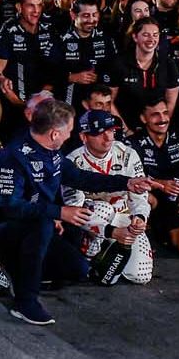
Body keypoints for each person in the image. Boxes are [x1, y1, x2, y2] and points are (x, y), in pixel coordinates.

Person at [0, 97, 131, 325]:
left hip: (37, 226)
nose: (71, 135)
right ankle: (25, 302)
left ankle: (14, 271)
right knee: (44, 223)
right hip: (1, 229)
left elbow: (80, 178)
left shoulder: (53, 152)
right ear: (54, 134)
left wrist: (126, 183)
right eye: (68, 130)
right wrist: (58, 212)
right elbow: (10, 206)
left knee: (77, 268)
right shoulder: (13, 156)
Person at [65, 111, 152, 284]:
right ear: (84, 137)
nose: (108, 138)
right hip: (93, 224)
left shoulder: (128, 154)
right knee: (104, 208)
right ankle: (91, 252)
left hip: (122, 217)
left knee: (141, 275)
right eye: (99, 133)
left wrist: (139, 218)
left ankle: (111, 249)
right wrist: (111, 231)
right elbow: (73, 211)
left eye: (111, 131)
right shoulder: (72, 161)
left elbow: (140, 196)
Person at [128, 95, 179, 257]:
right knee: (142, 195)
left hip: (178, 202)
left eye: (165, 113)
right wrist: (159, 183)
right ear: (143, 118)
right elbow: (124, 178)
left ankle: (164, 234)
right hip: (147, 201)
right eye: (155, 114)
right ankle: (146, 232)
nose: (162, 119)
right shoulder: (132, 144)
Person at [0, 0, 51, 128]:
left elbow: (56, 69)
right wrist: (18, 102)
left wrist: (44, 95)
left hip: (45, 104)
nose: (36, 11)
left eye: (39, 5)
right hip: (15, 106)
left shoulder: (48, 29)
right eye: (31, 6)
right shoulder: (9, 30)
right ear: (19, 7)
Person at [109, 18, 178, 130]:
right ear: (135, 37)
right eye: (146, 35)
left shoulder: (168, 64)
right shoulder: (119, 63)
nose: (151, 39)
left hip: (156, 128)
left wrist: (160, 128)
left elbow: (170, 102)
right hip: (126, 126)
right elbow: (109, 102)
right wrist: (125, 131)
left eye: (155, 35)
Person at [49, 0, 113, 109]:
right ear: (73, 15)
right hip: (67, 106)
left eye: (94, 15)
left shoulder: (105, 39)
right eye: (86, 15)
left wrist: (100, 78)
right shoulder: (60, 39)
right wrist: (71, 77)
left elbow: (113, 71)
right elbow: (47, 72)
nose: (91, 20)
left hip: (97, 107)